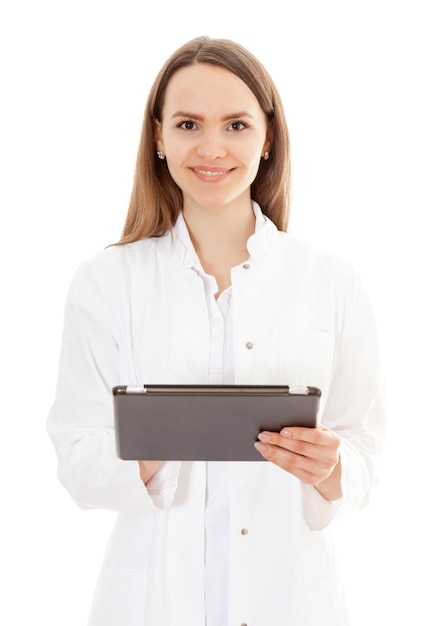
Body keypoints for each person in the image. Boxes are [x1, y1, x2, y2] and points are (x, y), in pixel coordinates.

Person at [47, 35, 386, 626]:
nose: (211, 147)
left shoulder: (332, 282)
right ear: (157, 136)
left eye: (235, 125)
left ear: (267, 138)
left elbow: (366, 454)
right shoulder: (105, 282)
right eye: (186, 124)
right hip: (153, 600)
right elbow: (77, 458)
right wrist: (159, 446)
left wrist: (331, 467)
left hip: (293, 597)